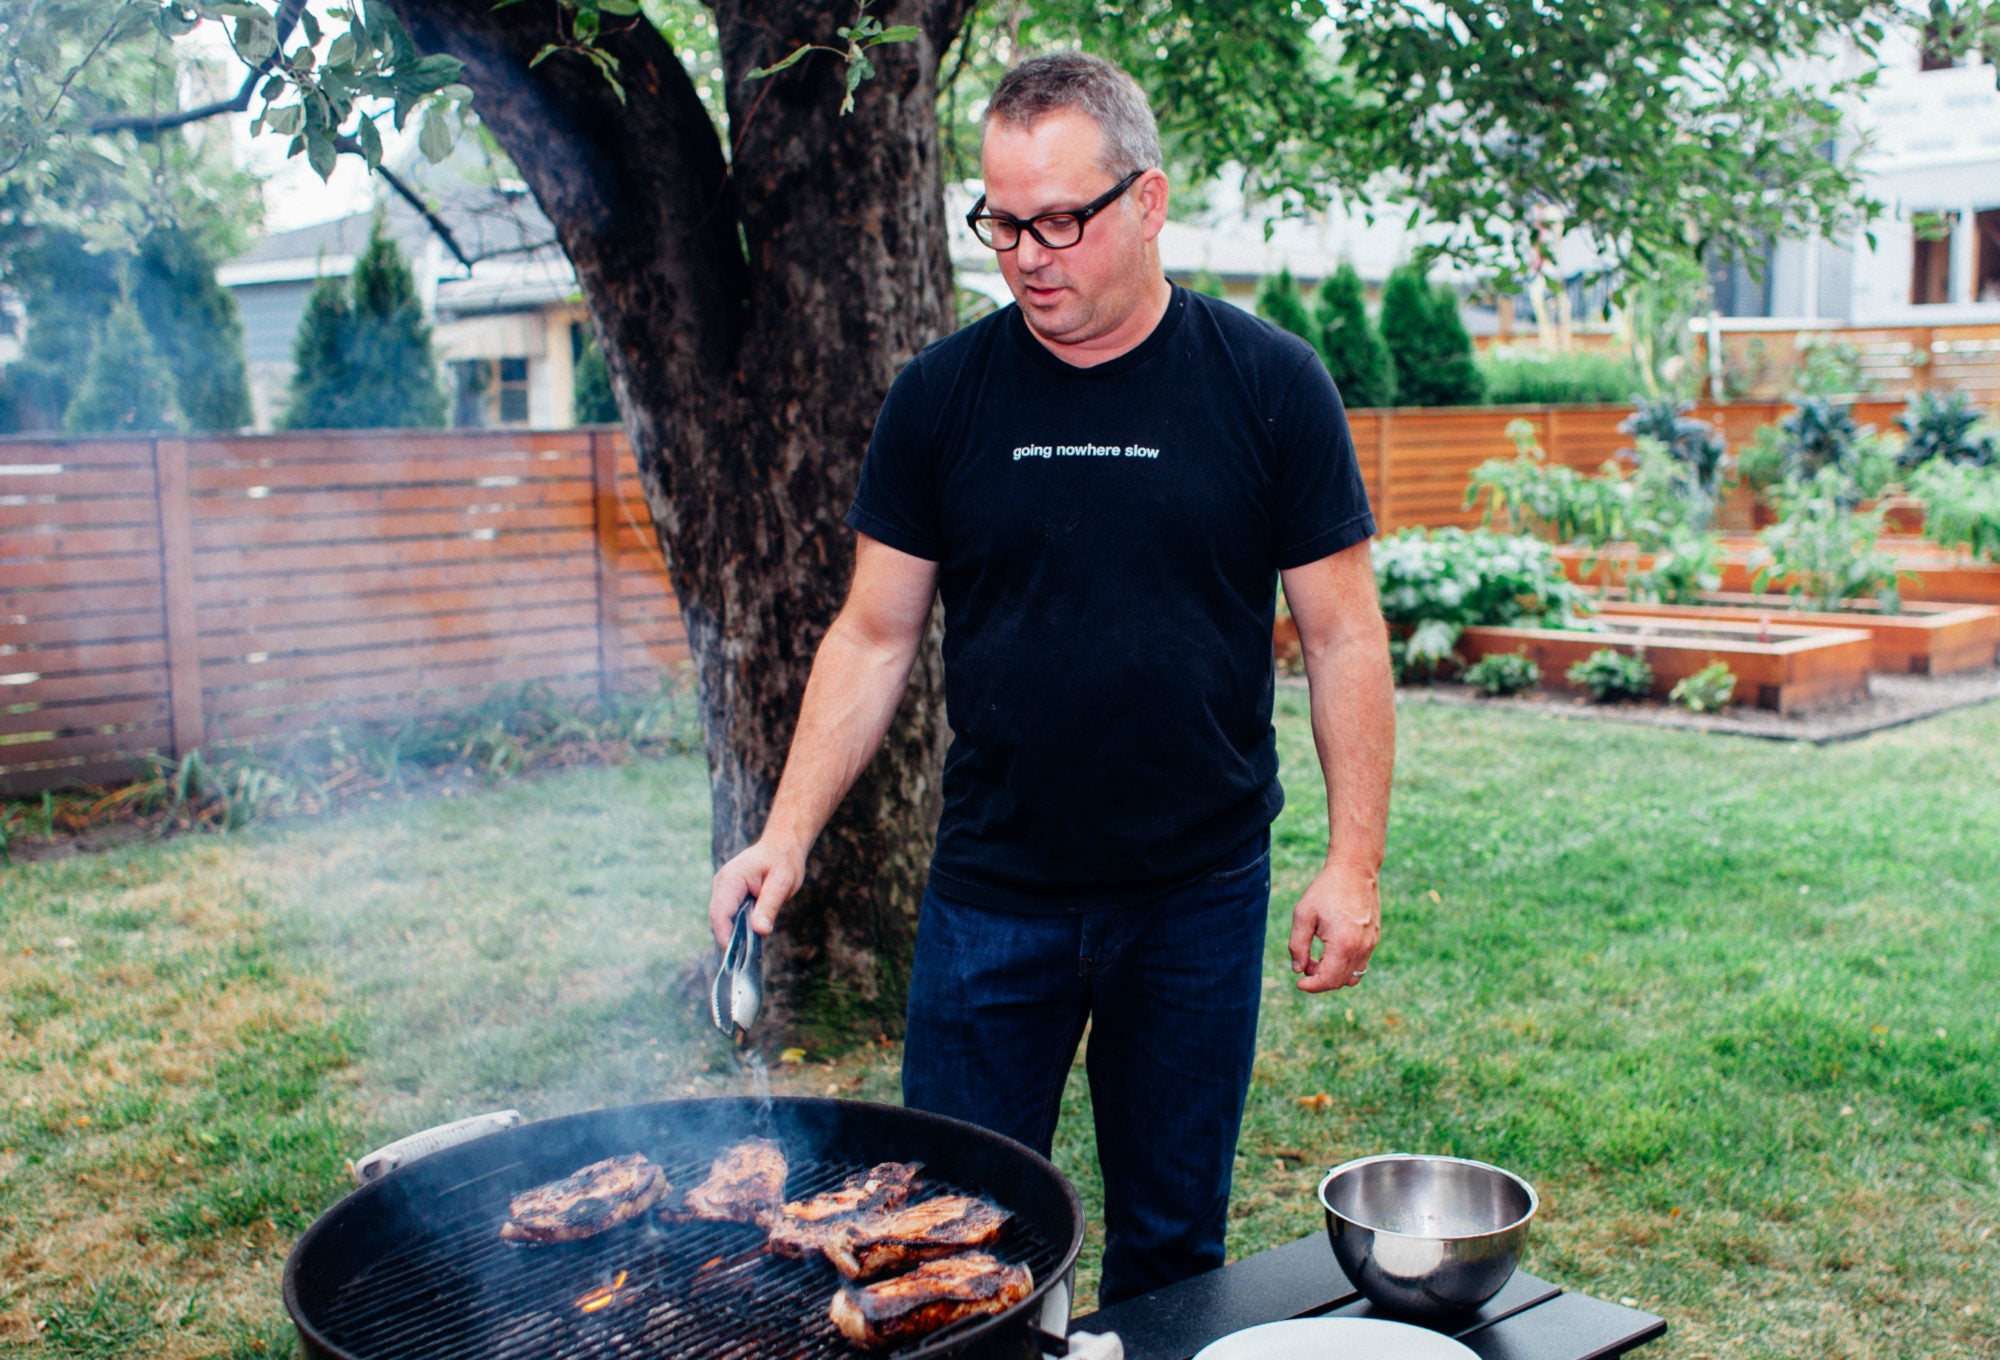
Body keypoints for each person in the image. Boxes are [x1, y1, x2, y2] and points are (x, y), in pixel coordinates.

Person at [709, 50, 1395, 1305]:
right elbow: (871, 635)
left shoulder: (1267, 386)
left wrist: (1350, 862)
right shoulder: (940, 398)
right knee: (948, 1237)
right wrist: (785, 832)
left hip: (1196, 892)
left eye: (1058, 220)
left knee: (1174, 1252)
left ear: (1145, 201)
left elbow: (1345, 635)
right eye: (1001, 222)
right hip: (993, 896)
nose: (1026, 255)